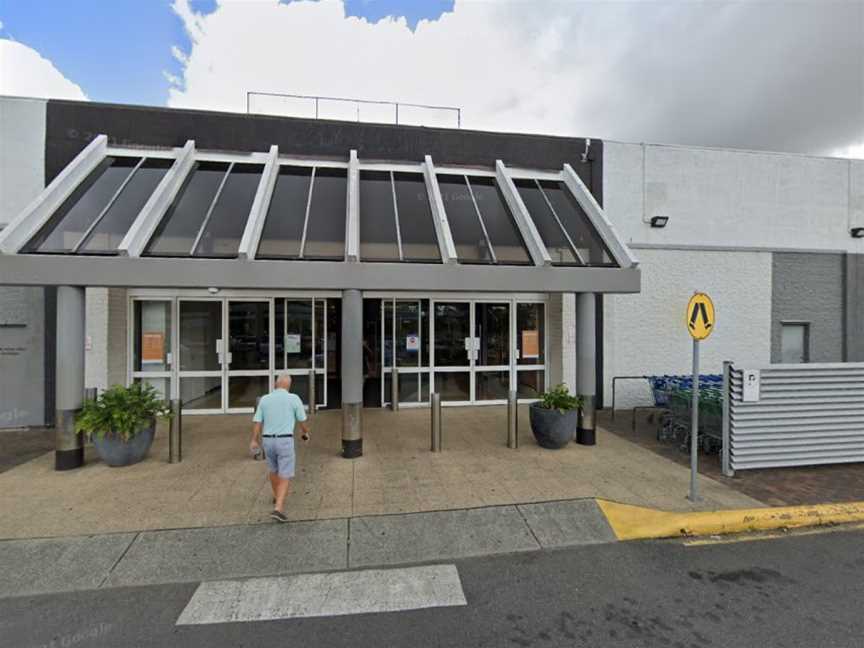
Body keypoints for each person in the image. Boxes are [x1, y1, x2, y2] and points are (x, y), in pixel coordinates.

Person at [250, 374, 311, 522]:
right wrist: (305, 432)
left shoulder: (265, 399)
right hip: (284, 441)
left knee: (273, 470)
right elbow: (302, 420)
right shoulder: (294, 398)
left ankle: (277, 496)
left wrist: (254, 440)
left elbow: (257, 422)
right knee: (285, 473)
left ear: (276, 384)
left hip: (268, 441)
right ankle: (278, 508)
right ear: (288, 385)